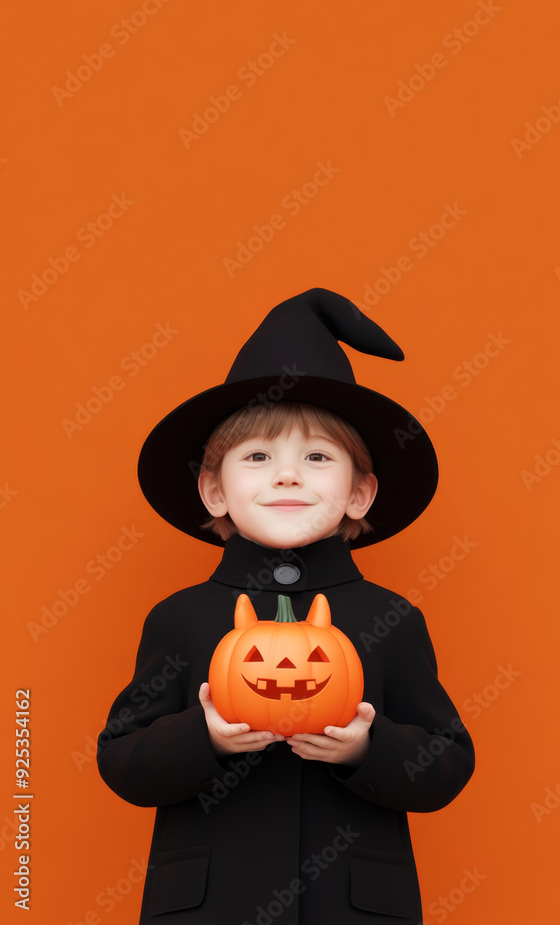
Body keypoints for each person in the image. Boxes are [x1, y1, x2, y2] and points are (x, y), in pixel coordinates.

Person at [97, 288, 475, 924]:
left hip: (352, 907)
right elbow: (120, 759)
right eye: (258, 456)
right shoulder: (180, 617)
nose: (288, 476)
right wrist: (205, 737)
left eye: (318, 457)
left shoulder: (392, 619)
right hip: (209, 907)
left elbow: (448, 761)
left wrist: (367, 748)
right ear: (215, 490)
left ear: (360, 493)